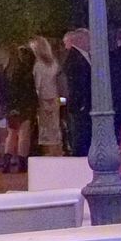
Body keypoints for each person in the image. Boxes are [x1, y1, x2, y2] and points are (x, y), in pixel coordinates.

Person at [0, 43, 38, 169]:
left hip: (10, 105)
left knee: (11, 133)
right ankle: (22, 163)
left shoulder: (3, 69)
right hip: (24, 105)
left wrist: (6, 104)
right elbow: (29, 90)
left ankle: (6, 162)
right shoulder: (25, 70)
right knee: (24, 134)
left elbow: (1, 89)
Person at [29, 35, 64, 154]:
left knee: (45, 129)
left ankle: (48, 153)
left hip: (43, 99)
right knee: (54, 127)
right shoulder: (54, 63)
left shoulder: (38, 65)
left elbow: (37, 85)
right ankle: (57, 151)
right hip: (54, 96)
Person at [62, 27, 93, 156]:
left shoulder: (81, 56)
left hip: (83, 104)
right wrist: (81, 104)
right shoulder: (75, 59)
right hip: (81, 105)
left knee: (83, 135)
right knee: (80, 136)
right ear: (81, 40)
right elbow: (77, 83)